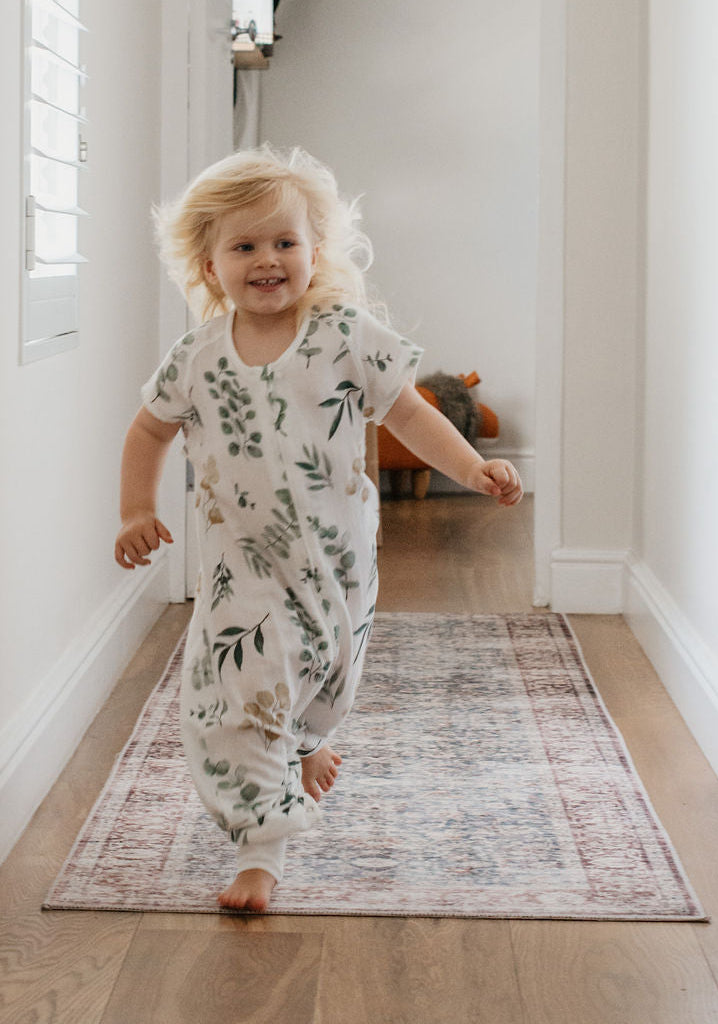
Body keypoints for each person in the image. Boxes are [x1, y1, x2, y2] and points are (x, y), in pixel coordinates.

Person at [115, 146, 522, 912]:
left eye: (284, 242)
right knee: (234, 696)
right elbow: (148, 429)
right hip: (241, 567)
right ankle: (260, 850)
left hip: (335, 556)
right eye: (244, 246)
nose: (267, 259)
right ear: (208, 265)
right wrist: (137, 508)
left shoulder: (343, 333)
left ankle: (307, 740)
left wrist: (470, 471)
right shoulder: (197, 357)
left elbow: (407, 412)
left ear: (314, 252)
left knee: (324, 675)